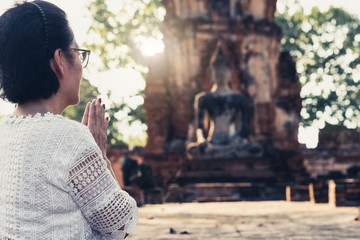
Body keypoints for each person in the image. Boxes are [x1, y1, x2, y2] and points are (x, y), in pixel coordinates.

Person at [0, 1, 138, 239]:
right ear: (59, 61)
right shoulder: (71, 138)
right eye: (78, 53)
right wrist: (100, 156)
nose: (82, 66)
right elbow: (121, 226)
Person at [186, 45, 262, 159]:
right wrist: (202, 141)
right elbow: (200, 128)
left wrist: (239, 139)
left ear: (230, 73)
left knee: (256, 149)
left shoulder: (240, 99)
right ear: (211, 74)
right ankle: (219, 152)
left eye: (224, 71)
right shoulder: (203, 99)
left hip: (233, 143)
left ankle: (222, 153)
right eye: (217, 71)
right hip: (212, 142)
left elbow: (245, 128)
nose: (220, 74)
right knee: (193, 150)